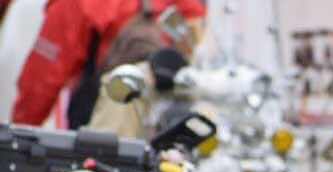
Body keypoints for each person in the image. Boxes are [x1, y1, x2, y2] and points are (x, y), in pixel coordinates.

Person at [12, 0, 204, 129]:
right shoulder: (188, 6)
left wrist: (17, 137)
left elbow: (41, 82)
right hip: (173, 131)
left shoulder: (77, 5)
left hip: (105, 127)